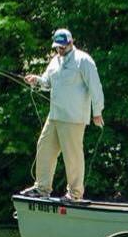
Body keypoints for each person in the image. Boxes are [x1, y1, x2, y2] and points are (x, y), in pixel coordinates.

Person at [20, 28, 104, 201]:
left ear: (71, 42)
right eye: (57, 47)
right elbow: (47, 82)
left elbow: (95, 87)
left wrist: (97, 112)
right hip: (55, 115)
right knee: (44, 147)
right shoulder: (55, 61)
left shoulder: (83, 60)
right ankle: (42, 188)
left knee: (72, 156)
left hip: (73, 117)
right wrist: (37, 80)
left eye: (62, 46)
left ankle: (74, 194)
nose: (59, 50)